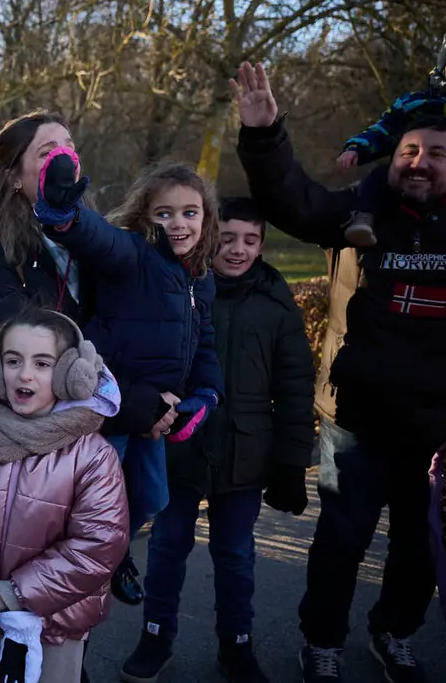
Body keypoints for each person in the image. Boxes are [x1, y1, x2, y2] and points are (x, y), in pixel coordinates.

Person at [231, 60, 446, 683]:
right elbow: (293, 202)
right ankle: (321, 642)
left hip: (436, 427)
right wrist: (265, 133)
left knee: (418, 546)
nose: (418, 161)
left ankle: (394, 632)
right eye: (409, 149)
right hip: (359, 416)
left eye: (435, 152)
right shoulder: (362, 213)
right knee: (342, 543)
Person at [120, 198, 315, 683]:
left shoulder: (276, 302)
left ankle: (237, 645)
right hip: (179, 446)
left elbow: (295, 387)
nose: (237, 249)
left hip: (245, 453)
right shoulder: (179, 288)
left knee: (235, 554)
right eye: (227, 238)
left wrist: (291, 464)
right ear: (210, 235)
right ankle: (155, 636)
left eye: (251, 240)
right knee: (167, 547)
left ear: (263, 245)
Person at [33, 157, 224, 607]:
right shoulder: (135, 254)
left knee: (153, 497)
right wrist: (65, 216)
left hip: (156, 415)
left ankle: (113, 553)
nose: (177, 223)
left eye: (189, 213)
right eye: (164, 213)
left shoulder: (201, 280)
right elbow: (99, 238)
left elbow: (206, 345)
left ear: (206, 218)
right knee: (98, 498)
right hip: (111, 404)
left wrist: (205, 396)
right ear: (145, 217)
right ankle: (90, 564)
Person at [0, 308, 128, 683]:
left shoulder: (92, 455)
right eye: (13, 360)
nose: (25, 374)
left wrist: (12, 593)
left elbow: (99, 545)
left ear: (71, 375)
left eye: (43, 363)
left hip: (56, 624)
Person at [0, 112, 91, 419]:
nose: (64, 159)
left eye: (69, 147)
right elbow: (10, 335)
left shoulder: (96, 238)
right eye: (47, 152)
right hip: (30, 423)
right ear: (14, 177)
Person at [336, 35, 446, 246]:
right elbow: (382, 130)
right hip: (412, 174)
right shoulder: (414, 103)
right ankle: (365, 218)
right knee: (378, 177)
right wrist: (357, 149)